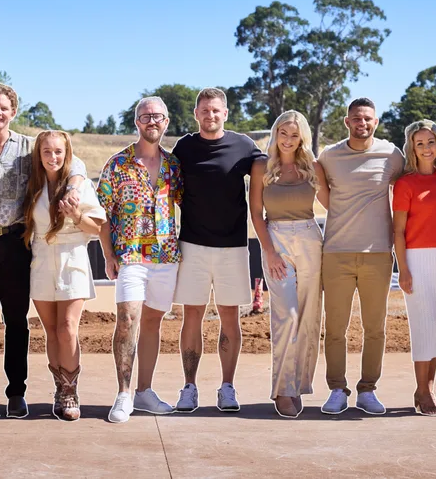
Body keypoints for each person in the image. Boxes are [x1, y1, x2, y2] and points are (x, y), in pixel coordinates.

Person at [0, 83, 86, 420]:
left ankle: (16, 393)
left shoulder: (27, 148)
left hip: (16, 243)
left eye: (4, 108)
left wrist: (75, 186)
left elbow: (71, 159)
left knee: (16, 321)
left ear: (13, 112)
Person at [171, 87, 266, 413]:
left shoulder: (244, 146)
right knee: (192, 315)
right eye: (205, 110)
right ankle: (189, 387)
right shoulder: (184, 147)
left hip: (233, 248)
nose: (210, 115)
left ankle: (227, 387)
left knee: (230, 316)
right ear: (196, 114)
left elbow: (272, 168)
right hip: (192, 246)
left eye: (216, 110)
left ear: (225, 113)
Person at [317, 97, 404, 415]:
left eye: (367, 118)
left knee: (375, 328)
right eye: (356, 118)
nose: (362, 123)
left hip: (378, 254)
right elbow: (322, 193)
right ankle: (337, 389)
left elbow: (406, 188)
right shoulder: (329, 156)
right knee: (335, 328)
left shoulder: (392, 155)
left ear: (375, 122)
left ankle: (368, 390)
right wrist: (346, 212)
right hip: (336, 253)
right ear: (347, 121)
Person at [98, 96, 182, 423]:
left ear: (166, 121)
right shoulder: (118, 164)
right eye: (145, 116)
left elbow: (188, 203)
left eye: (158, 116)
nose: (152, 121)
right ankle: (124, 393)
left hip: (165, 255)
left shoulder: (174, 165)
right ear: (137, 122)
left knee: (152, 322)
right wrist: (108, 254)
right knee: (128, 318)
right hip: (130, 254)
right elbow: (102, 213)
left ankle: (145, 392)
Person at [248, 111, 326, 418]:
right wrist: (269, 251)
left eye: (294, 135)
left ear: (302, 137)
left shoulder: (313, 167)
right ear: (275, 133)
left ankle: (298, 386)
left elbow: (334, 204)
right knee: (287, 316)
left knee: (308, 317)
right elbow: (256, 213)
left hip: (310, 239)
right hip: (276, 239)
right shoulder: (261, 166)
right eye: (283, 133)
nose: (288, 140)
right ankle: (282, 389)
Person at [24, 130, 106, 421]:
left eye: (58, 151)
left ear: (67, 153)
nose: (53, 157)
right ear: (39, 154)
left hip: (73, 258)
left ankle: (71, 391)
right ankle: (59, 389)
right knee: (51, 331)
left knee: (67, 327)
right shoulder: (31, 183)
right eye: (47, 151)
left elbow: (97, 228)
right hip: (41, 259)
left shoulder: (79, 185)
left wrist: (75, 216)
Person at [392, 119, 436, 417]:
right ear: (412, 149)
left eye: (431, 142)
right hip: (417, 260)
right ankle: (423, 390)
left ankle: (427, 388)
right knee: (422, 325)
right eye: (420, 144)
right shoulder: (405, 184)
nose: (427, 148)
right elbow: (398, 231)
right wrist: (403, 269)